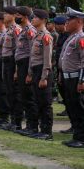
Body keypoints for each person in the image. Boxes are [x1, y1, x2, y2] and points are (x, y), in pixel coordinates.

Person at [26, 9, 53, 140]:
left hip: (43, 71)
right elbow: (33, 57)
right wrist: (30, 73)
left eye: (36, 18)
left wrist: (44, 77)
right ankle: (41, 129)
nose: (33, 19)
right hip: (36, 71)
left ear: (43, 20)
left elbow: (47, 59)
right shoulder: (37, 35)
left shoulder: (46, 36)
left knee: (45, 103)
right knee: (37, 101)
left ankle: (47, 131)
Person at [59, 7, 84, 148]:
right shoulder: (71, 37)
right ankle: (77, 136)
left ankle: (82, 138)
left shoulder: (81, 38)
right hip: (68, 77)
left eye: (70, 19)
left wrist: (82, 80)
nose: (67, 22)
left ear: (79, 21)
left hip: (76, 79)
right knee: (72, 108)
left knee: (79, 109)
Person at [14, 6, 38, 136]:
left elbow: (32, 54)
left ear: (25, 17)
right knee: (24, 96)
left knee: (29, 97)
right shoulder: (23, 30)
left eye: (18, 15)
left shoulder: (30, 31)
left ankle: (33, 126)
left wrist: (29, 72)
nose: (16, 17)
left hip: (27, 65)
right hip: (21, 65)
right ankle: (29, 124)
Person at [0, 6, 23, 130]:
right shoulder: (8, 30)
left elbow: (18, 50)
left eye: (7, 13)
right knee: (9, 92)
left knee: (15, 93)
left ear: (14, 15)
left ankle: (17, 122)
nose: (4, 16)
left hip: (12, 62)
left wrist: (16, 70)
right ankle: (13, 119)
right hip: (6, 62)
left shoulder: (16, 30)